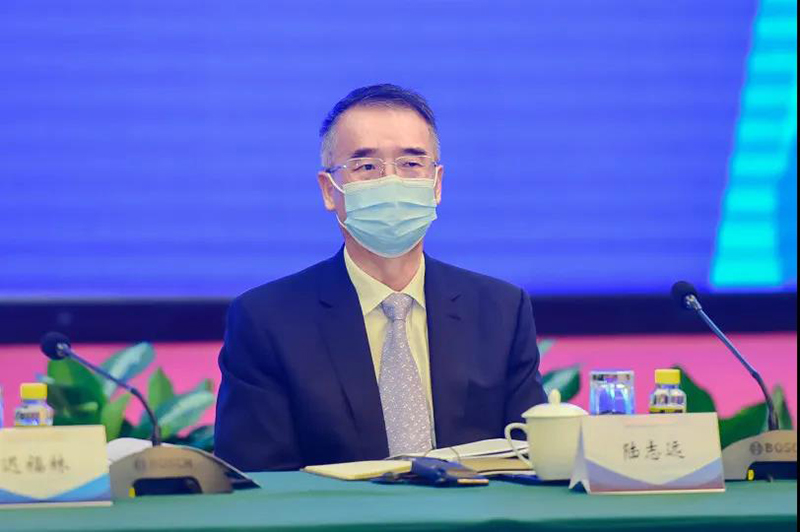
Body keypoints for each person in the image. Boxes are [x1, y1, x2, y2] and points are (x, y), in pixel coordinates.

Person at [215, 84, 547, 471]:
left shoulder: (500, 311)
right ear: (329, 190)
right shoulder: (268, 321)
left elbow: (531, 461)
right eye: (367, 167)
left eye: (411, 164)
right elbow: (260, 482)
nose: (391, 182)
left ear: (436, 184)